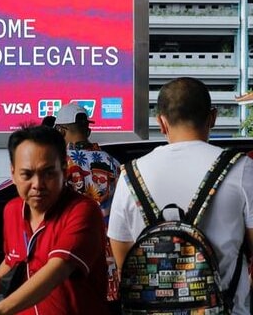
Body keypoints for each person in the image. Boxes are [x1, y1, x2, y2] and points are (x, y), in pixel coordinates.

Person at [108, 77, 253, 314]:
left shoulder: (130, 176)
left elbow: (124, 261)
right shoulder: (242, 168)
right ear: (213, 117)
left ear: (161, 123)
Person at [0, 125, 109, 315]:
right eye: (27, 174)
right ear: (13, 174)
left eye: (48, 173)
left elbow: (58, 269)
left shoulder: (83, 212)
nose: (38, 185)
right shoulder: (12, 210)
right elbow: (13, 259)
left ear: (64, 170)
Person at [54, 103, 121, 309]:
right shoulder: (113, 163)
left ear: (61, 131)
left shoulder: (59, 165)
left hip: (73, 253)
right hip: (109, 258)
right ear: (87, 130)